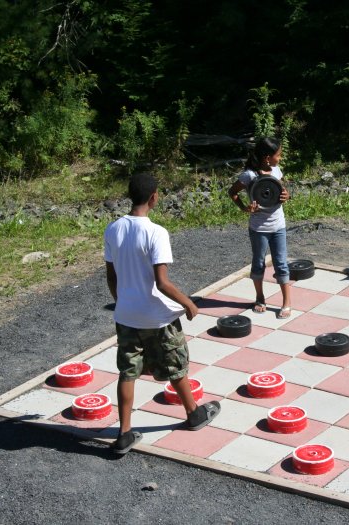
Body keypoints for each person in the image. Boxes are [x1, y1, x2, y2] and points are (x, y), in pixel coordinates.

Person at [104, 173, 221, 455]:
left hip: (126, 315)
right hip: (158, 316)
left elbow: (111, 275)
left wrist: (123, 301)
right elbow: (163, 283)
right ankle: (194, 413)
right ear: (154, 197)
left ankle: (124, 434)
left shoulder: (113, 228)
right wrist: (189, 304)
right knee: (175, 364)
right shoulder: (156, 232)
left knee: (127, 372)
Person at [228, 137, 292, 318]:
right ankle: (260, 297)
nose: (280, 158)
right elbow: (232, 192)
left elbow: (280, 191)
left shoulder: (277, 171)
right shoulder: (249, 175)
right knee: (258, 263)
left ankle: (286, 302)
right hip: (258, 228)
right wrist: (244, 208)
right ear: (267, 158)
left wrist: (286, 196)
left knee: (281, 264)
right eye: (278, 155)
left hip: (278, 225)